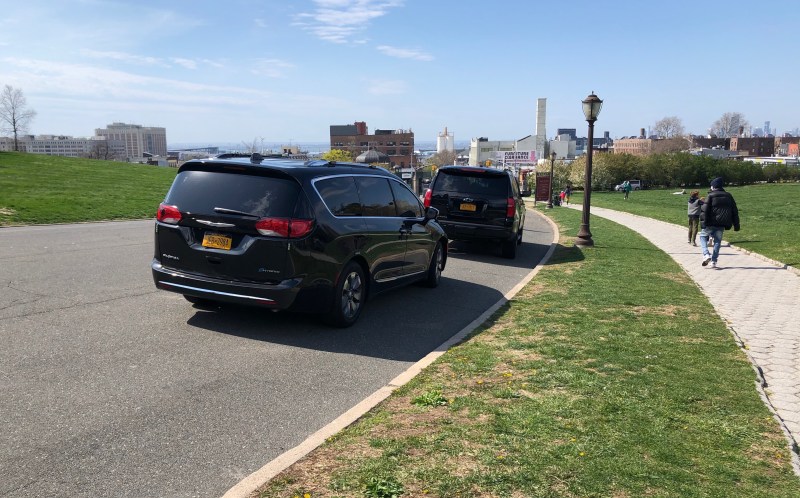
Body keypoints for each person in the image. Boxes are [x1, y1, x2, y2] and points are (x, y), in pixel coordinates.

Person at [699, 177, 740, 269]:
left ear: (713, 186)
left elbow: (704, 211)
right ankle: (714, 261)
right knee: (717, 242)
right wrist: (736, 225)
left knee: (702, 237)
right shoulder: (729, 196)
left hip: (710, 223)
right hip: (722, 223)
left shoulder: (710, 196)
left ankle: (706, 254)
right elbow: (734, 211)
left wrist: (703, 223)